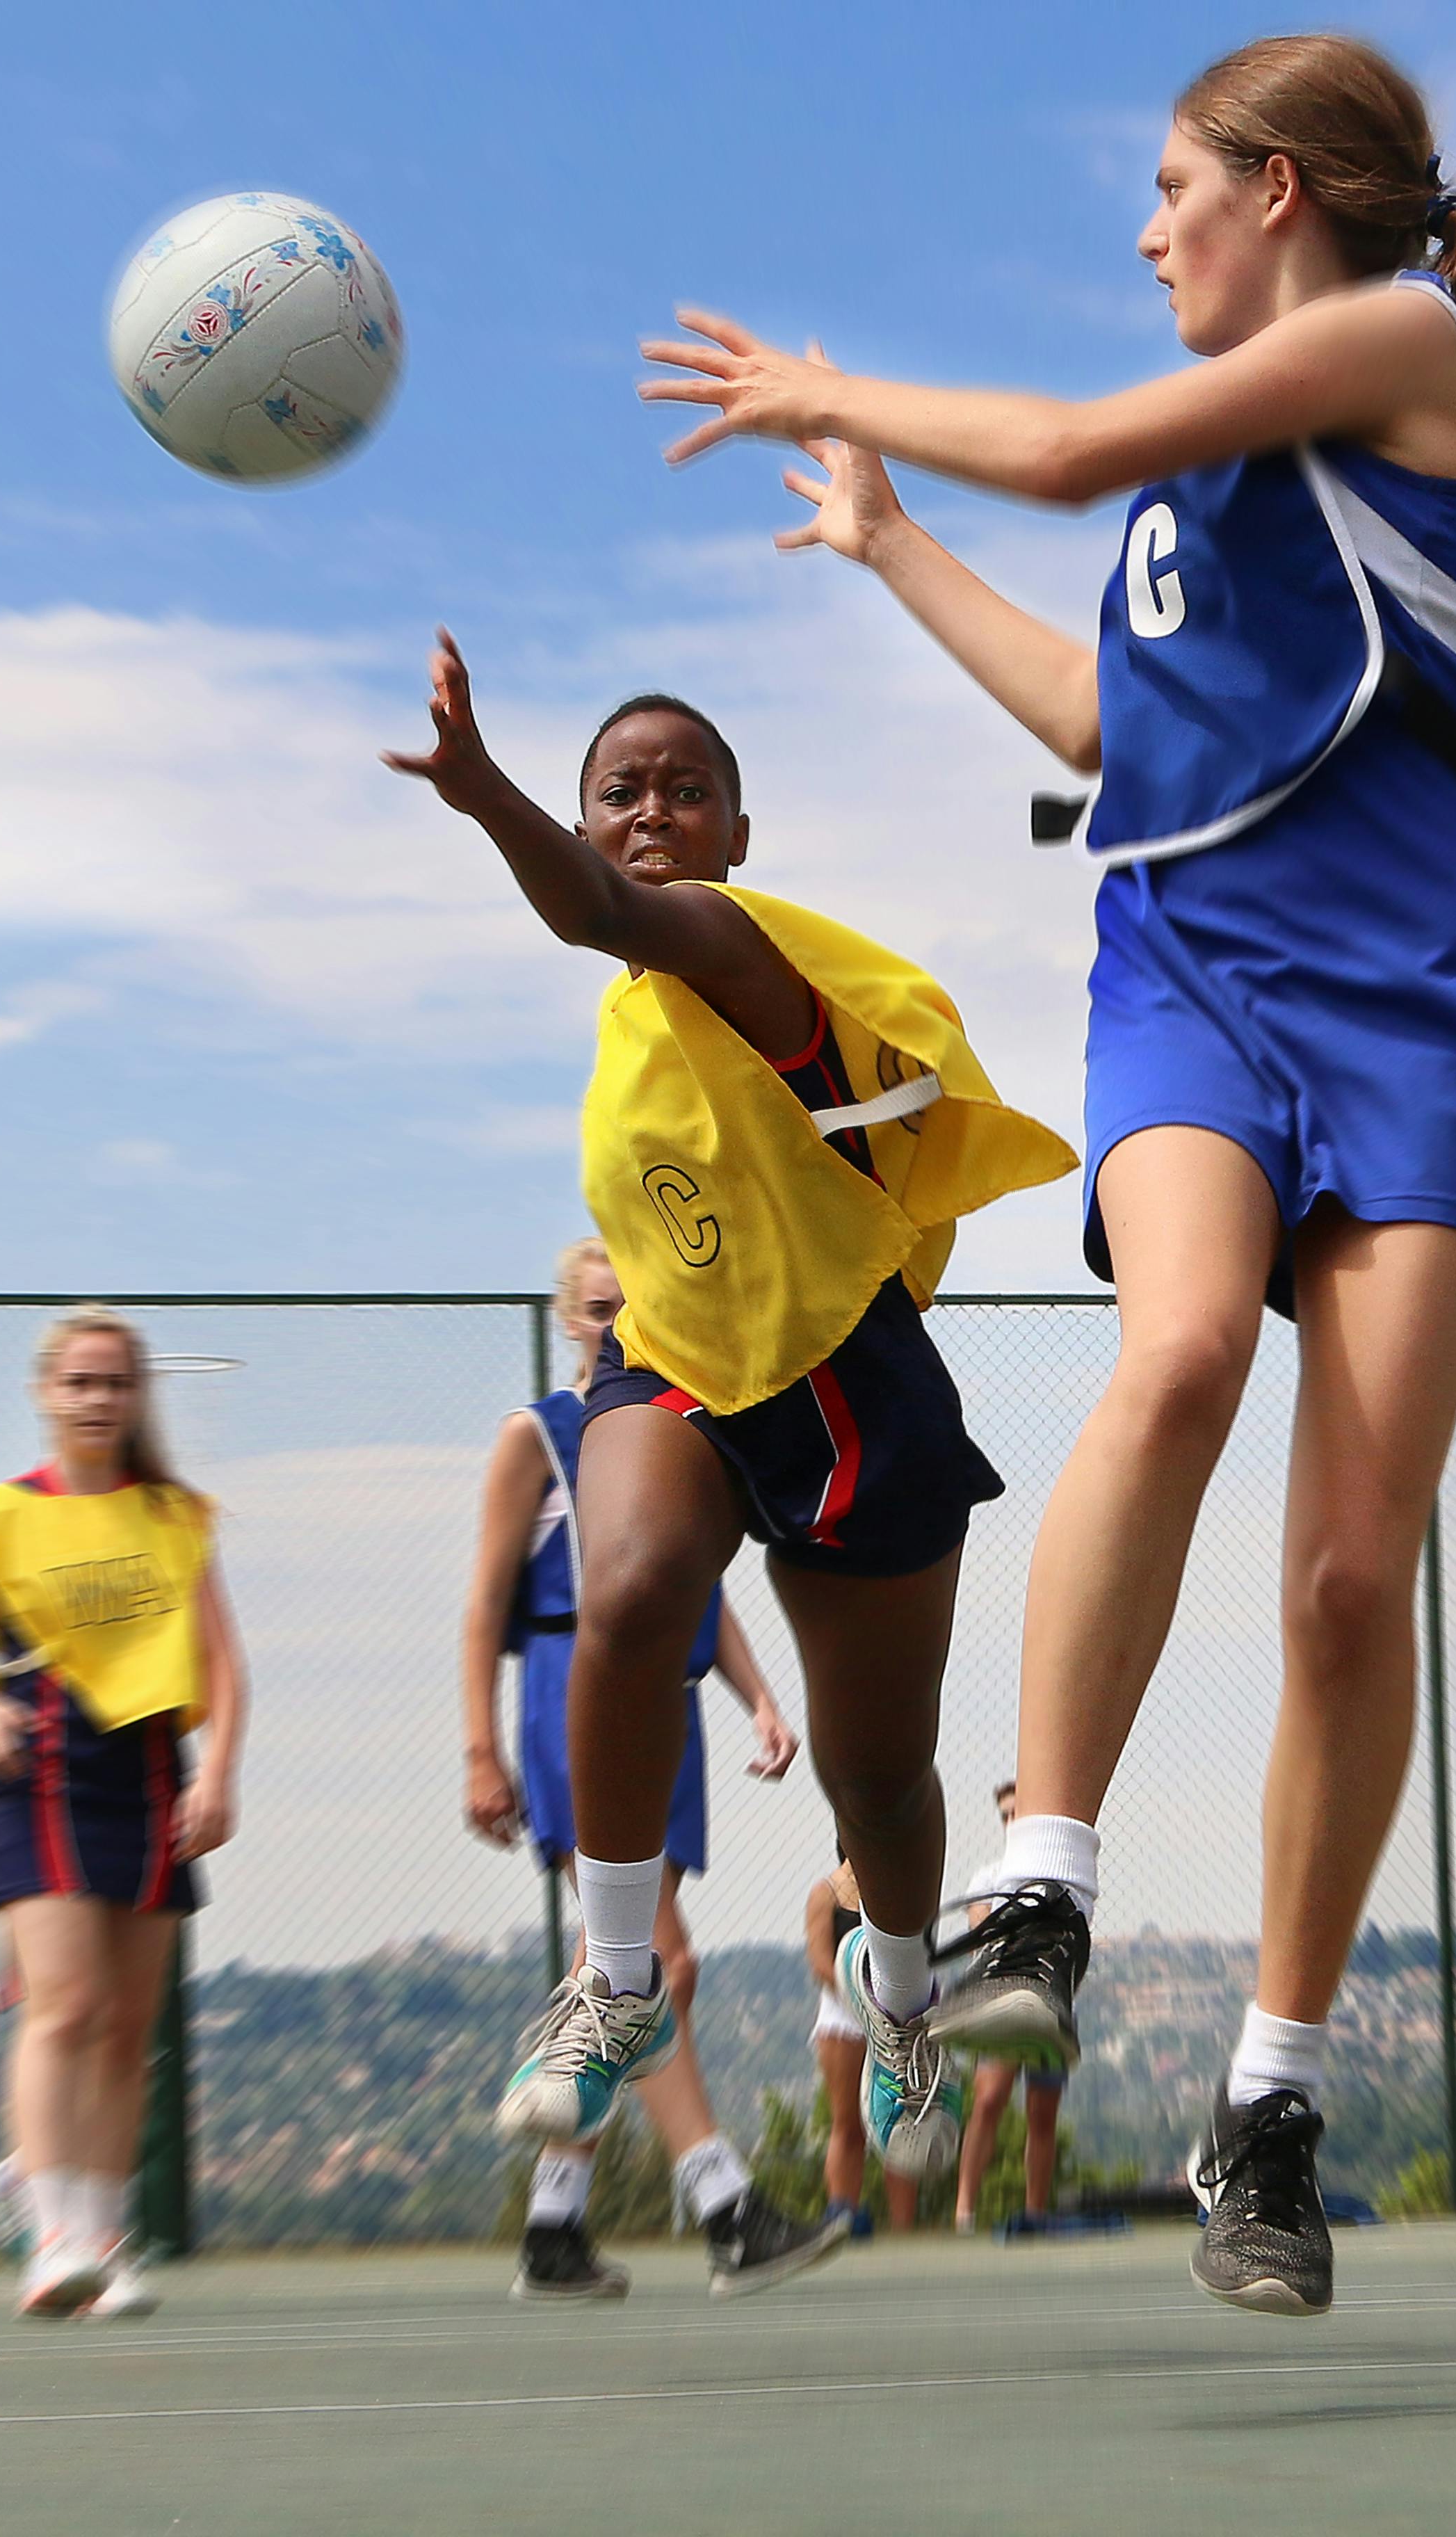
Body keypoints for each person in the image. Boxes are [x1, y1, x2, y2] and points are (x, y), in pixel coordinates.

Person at [643, 32, 1456, 2315]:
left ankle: (1273, 2093)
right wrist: (892, 540)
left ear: (1284, 190)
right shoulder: (1195, 503)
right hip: (1186, 960)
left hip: (1412, 994)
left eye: (1167, 188)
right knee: (1183, 1339)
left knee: (1343, 1572)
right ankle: (1044, 1873)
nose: (1143, 232)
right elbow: (1111, 729)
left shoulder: (1391, 348)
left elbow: (1080, 435)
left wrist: (837, 387)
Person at [385, 636, 1074, 2301]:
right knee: (623, 1587)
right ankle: (613, 1981)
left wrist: (483, 797)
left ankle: (902, 1991)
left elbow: (600, 911)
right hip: (681, 1371)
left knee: (876, 1782)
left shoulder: (738, 948)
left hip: (848, 1382)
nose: (646, 811)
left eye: (681, 788)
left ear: (737, 833)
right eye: (613, 790)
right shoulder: (629, 1028)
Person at [0, 1308, 248, 2320]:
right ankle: (50, 2241)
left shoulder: (175, 1515)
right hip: (39, 1766)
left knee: (129, 2032)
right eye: (78, 1384)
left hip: (153, 1771)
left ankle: (104, 2242)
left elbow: (222, 1659)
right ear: (45, 1395)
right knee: (66, 2006)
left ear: (138, 1398)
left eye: (115, 1384)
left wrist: (217, 1776)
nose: (97, 1401)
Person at [458, 1234, 802, 2300]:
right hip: (574, 1688)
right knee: (660, 1963)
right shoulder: (541, 1437)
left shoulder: (676, 1425)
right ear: (571, 1318)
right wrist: (481, 1747)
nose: (615, 1325)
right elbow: (481, 1604)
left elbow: (700, 1585)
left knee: (626, 1975)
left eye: (634, 1308)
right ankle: (724, 2203)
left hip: (671, 1699)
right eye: (601, 1309)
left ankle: (555, 2226)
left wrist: (759, 1698)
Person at [951, 1782, 1066, 2234]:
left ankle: (1036, 2212)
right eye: (1004, 1814)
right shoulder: (987, 1877)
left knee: (1043, 2112)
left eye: (1018, 1811)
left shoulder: (1058, 1876)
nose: (1010, 1820)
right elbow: (984, 1933)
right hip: (1002, 2004)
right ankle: (965, 2212)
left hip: (1052, 2004)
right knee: (989, 2100)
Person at [801, 1853, 918, 2240]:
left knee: (900, 2124)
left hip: (893, 2018)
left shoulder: (898, 1888)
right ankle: (842, 2215)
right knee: (847, 2122)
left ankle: (904, 2228)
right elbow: (819, 1960)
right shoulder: (827, 1893)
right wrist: (857, 1996)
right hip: (843, 2018)